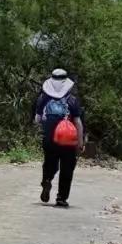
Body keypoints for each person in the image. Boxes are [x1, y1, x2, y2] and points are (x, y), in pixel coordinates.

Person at [33, 68, 85, 207]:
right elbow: (78, 123)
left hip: (50, 137)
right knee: (67, 167)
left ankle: (47, 179)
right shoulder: (72, 100)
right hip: (68, 139)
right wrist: (80, 142)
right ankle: (61, 198)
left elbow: (37, 119)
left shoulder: (43, 98)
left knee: (50, 162)